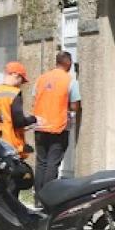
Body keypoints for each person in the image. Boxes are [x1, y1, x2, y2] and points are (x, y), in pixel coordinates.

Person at [31, 51, 82, 194]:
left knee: (41, 163)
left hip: (39, 126)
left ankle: (38, 198)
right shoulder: (70, 80)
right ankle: (48, 197)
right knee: (52, 164)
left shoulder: (41, 79)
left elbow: (35, 99)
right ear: (68, 63)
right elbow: (74, 106)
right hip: (58, 128)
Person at [0, 62, 38, 159]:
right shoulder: (13, 94)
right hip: (10, 148)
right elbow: (18, 122)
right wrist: (33, 119)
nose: (21, 84)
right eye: (21, 80)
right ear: (15, 75)